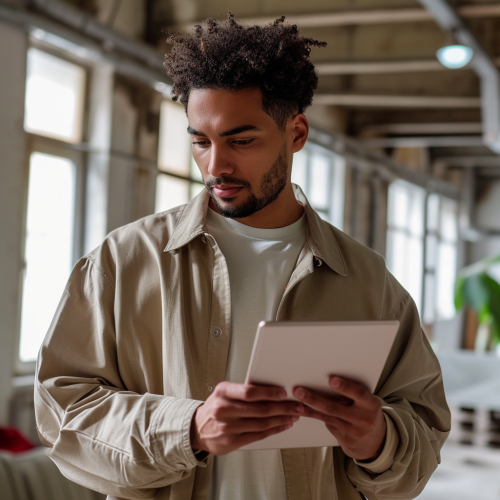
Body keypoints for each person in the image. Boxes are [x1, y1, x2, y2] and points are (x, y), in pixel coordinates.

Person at [35, 13, 450, 500]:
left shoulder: (365, 279)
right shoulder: (124, 261)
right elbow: (61, 416)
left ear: (296, 133)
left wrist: (380, 440)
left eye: (241, 140)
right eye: (199, 141)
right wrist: (188, 428)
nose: (216, 165)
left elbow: (424, 430)